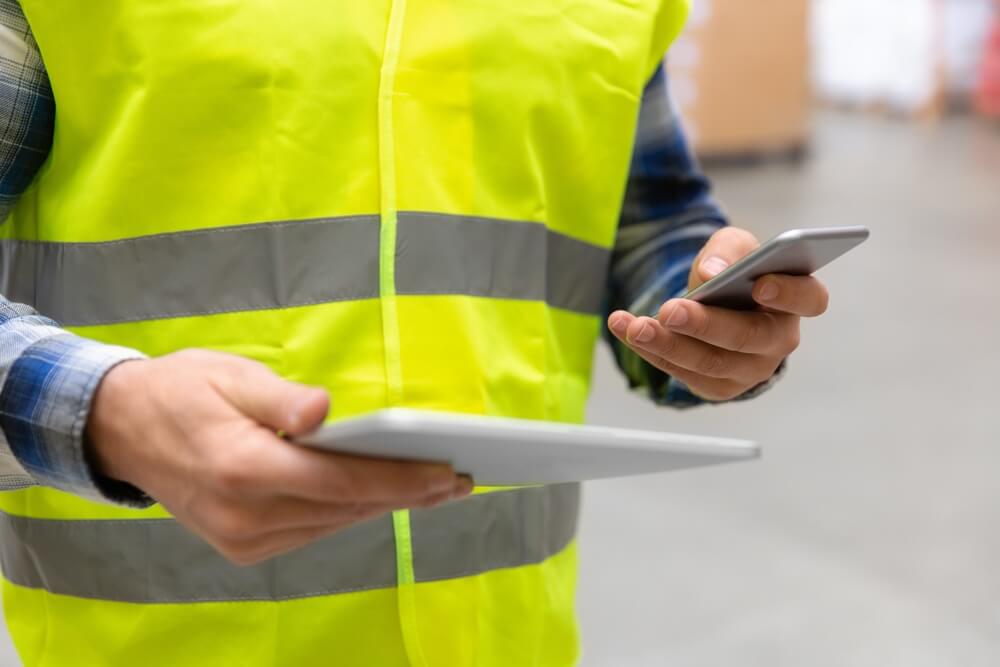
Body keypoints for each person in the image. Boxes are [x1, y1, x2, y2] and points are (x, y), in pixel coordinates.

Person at [0, 0, 828, 665]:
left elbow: (647, 216)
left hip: (508, 638)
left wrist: (707, 309)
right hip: (165, 643)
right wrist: (106, 412)